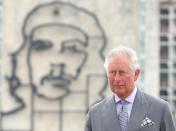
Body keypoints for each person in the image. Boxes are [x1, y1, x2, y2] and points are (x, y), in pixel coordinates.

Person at [85, 46, 175, 131]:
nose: (116, 79)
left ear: (136, 74)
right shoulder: (94, 114)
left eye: (122, 72)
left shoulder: (160, 109)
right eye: (112, 72)